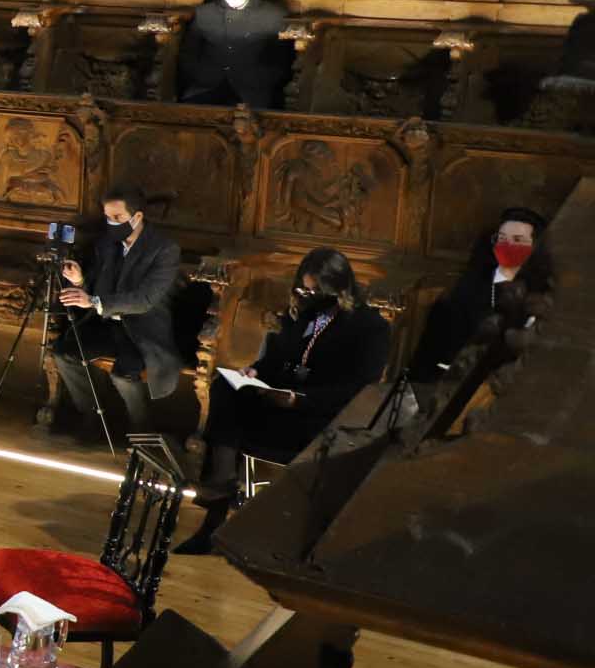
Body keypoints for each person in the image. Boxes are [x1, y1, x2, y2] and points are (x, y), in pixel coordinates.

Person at [181, 246, 390, 554]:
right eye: (303, 289)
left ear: (338, 288)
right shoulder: (302, 312)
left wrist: (299, 400)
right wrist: (254, 371)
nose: (307, 295)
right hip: (280, 403)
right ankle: (216, 511)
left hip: (321, 416)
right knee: (226, 389)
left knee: (236, 424)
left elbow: (358, 390)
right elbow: (278, 359)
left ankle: (224, 511)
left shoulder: (370, 327)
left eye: (315, 290)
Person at [44, 183, 184, 439]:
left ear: (137, 216)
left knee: (125, 375)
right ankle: (93, 416)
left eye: (117, 218)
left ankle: (141, 431)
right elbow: (97, 287)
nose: (111, 223)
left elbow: (145, 299)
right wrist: (79, 281)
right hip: (106, 323)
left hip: (143, 331)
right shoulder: (107, 244)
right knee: (64, 353)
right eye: (108, 217)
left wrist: (94, 302)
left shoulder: (164, 250)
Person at [407, 206, 553, 381]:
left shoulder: (541, 298)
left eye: (518, 240)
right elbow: (426, 366)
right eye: (502, 239)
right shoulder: (460, 298)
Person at [177, 0, 294, 109]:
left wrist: (261, 80)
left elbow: (283, 61)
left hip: (254, 95)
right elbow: (188, 54)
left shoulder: (274, 15)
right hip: (204, 90)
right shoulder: (204, 13)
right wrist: (201, 76)